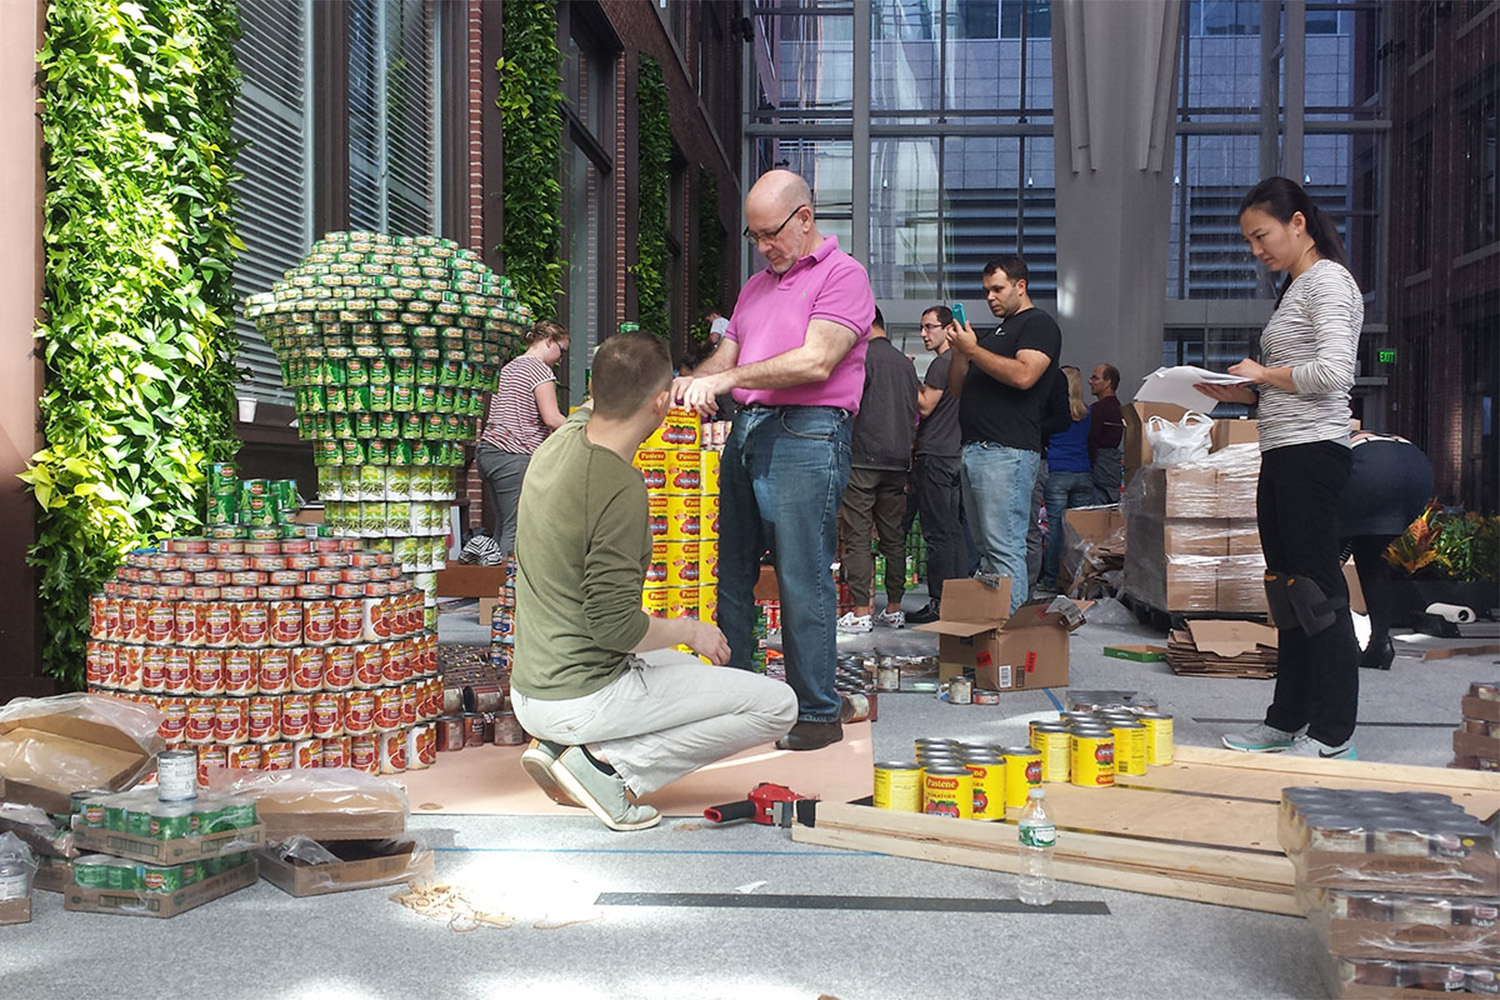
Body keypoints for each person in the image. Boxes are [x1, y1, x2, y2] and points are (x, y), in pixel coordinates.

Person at [510, 330, 798, 832]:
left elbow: (613, 391)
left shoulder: (558, 442)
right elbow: (616, 630)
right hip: (580, 695)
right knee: (777, 705)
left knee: (684, 670)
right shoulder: (618, 490)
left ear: (592, 390)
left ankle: (569, 749)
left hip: (532, 687)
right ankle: (607, 768)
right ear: (663, 401)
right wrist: (691, 630)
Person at [675, 169, 876, 752]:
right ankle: (738, 700)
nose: (763, 247)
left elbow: (816, 362)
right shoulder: (755, 287)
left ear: (805, 218)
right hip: (751, 428)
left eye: (771, 234)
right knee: (730, 574)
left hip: (809, 432)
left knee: (801, 576)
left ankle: (816, 711)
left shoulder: (845, 276)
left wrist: (728, 380)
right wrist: (676, 384)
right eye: (754, 236)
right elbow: (725, 358)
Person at [1203, 177, 1364, 760]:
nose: (1256, 250)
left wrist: (1263, 374)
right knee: (1287, 593)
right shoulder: (1294, 290)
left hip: (1314, 455)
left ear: (1298, 223)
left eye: (1262, 236)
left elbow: (1333, 374)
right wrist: (1241, 390)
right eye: (1249, 240)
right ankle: (1286, 718)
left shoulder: (1329, 282)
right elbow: (1291, 384)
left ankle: (1333, 731)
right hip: (1280, 450)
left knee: (1318, 594)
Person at [946, 256, 1061, 615]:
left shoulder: (1038, 324)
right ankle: (991, 636)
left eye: (998, 289)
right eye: (986, 291)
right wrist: (960, 355)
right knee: (984, 552)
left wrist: (973, 350)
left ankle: (1007, 643)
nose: (991, 297)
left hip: (1006, 452)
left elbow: (1025, 374)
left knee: (1003, 550)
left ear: (1020, 286)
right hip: (978, 450)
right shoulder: (993, 335)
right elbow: (956, 390)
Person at [837, 308, 920, 633]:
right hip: (898, 460)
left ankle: (861, 611)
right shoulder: (905, 364)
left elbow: (849, 403)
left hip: (863, 457)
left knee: (857, 536)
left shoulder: (861, 358)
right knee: (893, 537)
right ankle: (895, 608)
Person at [1340, 432, 1434, 670]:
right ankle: (1380, 644)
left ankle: (1344, 646)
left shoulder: (1315, 437)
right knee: (1372, 558)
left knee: (1327, 565)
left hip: (1369, 468)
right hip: (1417, 468)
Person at [476, 320, 569, 555]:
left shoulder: (509, 367)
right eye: (562, 350)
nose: (561, 359)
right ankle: (508, 589)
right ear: (549, 341)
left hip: (489, 452)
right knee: (516, 530)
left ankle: (494, 583)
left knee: (502, 526)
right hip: (513, 455)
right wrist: (584, 427)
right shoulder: (540, 370)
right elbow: (552, 418)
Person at [906, 307, 964, 625]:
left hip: (936, 456)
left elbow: (926, 405)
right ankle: (955, 601)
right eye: (922, 327)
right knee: (953, 533)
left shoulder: (943, 363)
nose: (923, 334)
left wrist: (908, 376)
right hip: (955, 455)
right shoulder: (960, 362)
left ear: (947, 329)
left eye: (930, 327)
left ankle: (940, 603)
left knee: (938, 535)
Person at [1041, 367, 1095, 593]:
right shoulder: (1087, 413)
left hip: (1057, 472)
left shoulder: (1052, 413)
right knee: (1078, 532)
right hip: (1083, 472)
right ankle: (1077, 578)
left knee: (1055, 529)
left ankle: (1052, 578)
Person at [1027, 367, 1071, 592]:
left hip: (1037, 456)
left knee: (1030, 527)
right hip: (1050, 461)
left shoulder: (1051, 377)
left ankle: (1026, 586)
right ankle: (1034, 583)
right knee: (1048, 526)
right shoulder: (1085, 411)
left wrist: (1032, 428)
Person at [1087, 364, 1125, 504]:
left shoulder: (1098, 409)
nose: (1090, 381)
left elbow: (1092, 439)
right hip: (1112, 468)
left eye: (1095, 378)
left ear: (1108, 382)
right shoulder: (1118, 407)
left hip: (1099, 467)